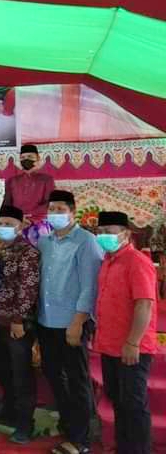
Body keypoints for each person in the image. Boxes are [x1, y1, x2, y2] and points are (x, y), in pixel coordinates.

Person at [38, 190, 103, 454]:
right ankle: (68, 424)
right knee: (53, 374)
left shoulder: (86, 241)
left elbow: (90, 286)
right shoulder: (45, 241)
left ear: (73, 212)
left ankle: (81, 440)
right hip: (46, 320)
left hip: (72, 321)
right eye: (51, 209)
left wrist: (78, 322)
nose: (54, 213)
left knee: (77, 379)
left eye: (60, 209)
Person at [94, 211, 158, 454]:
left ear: (125, 234)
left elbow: (144, 304)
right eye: (100, 232)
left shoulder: (137, 261)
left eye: (109, 232)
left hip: (132, 347)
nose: (103, 236)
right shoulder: (108, 260)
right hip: (110, 345)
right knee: (118, 402)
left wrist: (133, 343)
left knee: (133, 406)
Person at [0, 205, 40, 444]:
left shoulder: (28, 252)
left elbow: (28, 288)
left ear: (20, 226)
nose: (3, 228)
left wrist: (18, 319)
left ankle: (25, 422)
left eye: (9, 224)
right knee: (3, 368)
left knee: (21, 373)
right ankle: (9, 409)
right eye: (0, 224)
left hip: (17, 323)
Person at [3, 144, 55, 246]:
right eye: (23, 157)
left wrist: (29, 218)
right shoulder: (12, 180)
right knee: (15, 250)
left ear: (38, 158)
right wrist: (15, 219)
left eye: (30, 157)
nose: (26, 160)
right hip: (16, 222)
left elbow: (49, 203)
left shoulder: (47, 179)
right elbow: (7, 204)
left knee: (40, 248)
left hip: (39, 221)